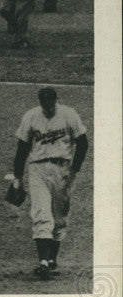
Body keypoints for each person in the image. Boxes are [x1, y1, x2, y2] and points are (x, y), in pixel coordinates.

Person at [10, 87, 89, 279]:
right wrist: (18, 177)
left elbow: (83, 142)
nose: (47, 106)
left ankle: (52, 259)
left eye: (50, 102)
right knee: (41, 213)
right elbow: (22, 148)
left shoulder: (69, 114)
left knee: (60, 217)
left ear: (56, 100)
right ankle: (43, 262)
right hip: (37, 169)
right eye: (43, 102)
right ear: (40, 102)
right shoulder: (31, 116)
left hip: (63, 170)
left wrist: (74, 170)